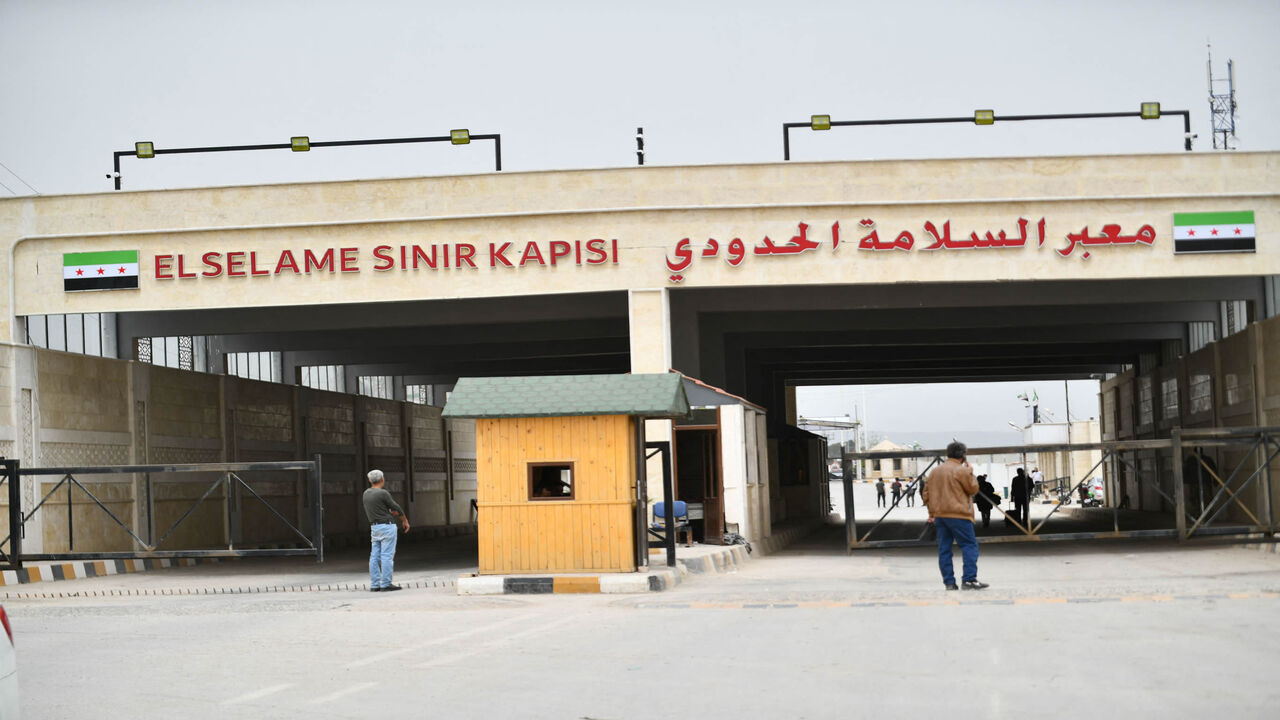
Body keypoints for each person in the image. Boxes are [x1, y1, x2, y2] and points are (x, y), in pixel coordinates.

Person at [922, 441, 988, 590]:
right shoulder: (962, 470)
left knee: (944, 549)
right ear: (963, 455)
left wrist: (932, 513)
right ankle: (969, 579)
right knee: (969, 545)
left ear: (948, 454)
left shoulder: (935, 471)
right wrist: (970, 472)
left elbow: (926, 494)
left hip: (940, 516)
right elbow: (973, 489)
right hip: (959, 515)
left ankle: (949, 583)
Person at [363, 468, 410, 592]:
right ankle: (386, 584)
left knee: (374, 556)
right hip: (387, 527)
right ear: (383, 479)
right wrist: (404, 520)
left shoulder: (366, 493)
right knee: (387, 556)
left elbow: (377, 508)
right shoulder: (383, 493)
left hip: (375, 527)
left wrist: (388, 512)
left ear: (369, 480)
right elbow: (396, 507)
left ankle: (374, 584)